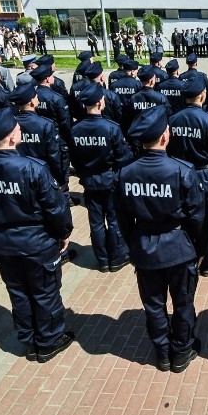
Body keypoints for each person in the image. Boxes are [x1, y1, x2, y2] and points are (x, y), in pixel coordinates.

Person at [0, 108, 75, 362]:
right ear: (12, 137)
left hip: (3, 244)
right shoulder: (33, 168)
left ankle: (29, 339)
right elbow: (54, 207)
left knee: (18, 292)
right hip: (37, 243)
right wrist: (63, 233)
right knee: (45, 292)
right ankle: (48, 341)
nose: (20, 130)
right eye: (17, 128)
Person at [116, 107, 205, 372]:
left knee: (153, 305)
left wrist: (134, 243)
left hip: (144, 246)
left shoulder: (125, 173)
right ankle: (181, 350)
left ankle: (163, 352)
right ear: (165, 137)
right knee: (183, 303)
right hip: (178, 248)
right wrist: (200, 249)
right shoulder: (183, 171)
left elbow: (122, 218)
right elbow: (197, 218)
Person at [167, 78, 208, 277]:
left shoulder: (173, 119)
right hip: (205, 176)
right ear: (203, 95)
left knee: (184, 218)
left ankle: (187, 256)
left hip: (179, 175)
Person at [71, 82, 133, 272]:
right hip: (110, 180)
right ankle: (116, 258)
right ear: (100, 102)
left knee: (96, 222)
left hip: (90, 182)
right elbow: (123, 157)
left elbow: (74, 159)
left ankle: (103, 259)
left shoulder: (76, 129)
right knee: (114, 220)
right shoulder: (111, 128)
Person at [10, 83, 69, 191]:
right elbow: (53, 155)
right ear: (32, 101)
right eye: (36, 96)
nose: (38, 98)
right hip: (43, 174)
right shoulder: (45, 124)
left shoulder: (11, 123)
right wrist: (61, 180)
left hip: (18, 174)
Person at [31, 64, 72, 143]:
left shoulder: (32, 96)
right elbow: (64, 122)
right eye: (51, 76)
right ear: (47, 79)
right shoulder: (56, 98)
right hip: (56, 135)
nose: (53, 78)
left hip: (38, 134)